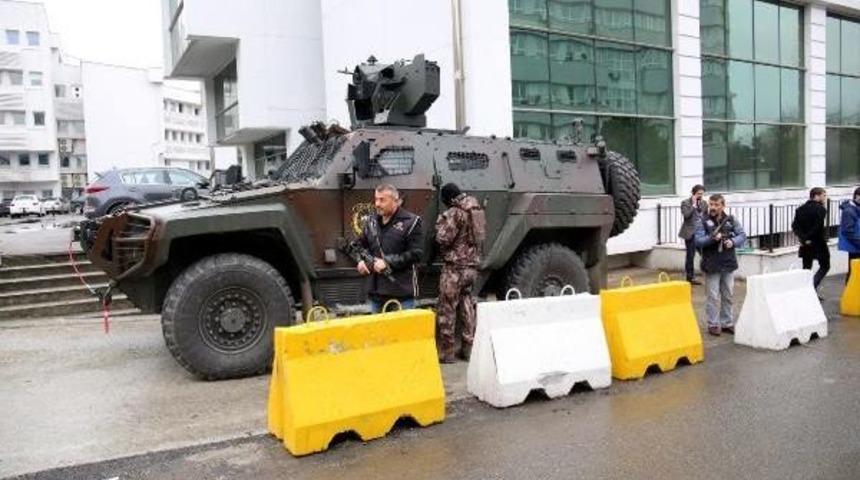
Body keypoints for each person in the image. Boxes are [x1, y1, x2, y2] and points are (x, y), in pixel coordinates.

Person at [353, 184, 424, 313]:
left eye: (382, 200)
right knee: (378, 333)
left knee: (402, 333)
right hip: (377, 293)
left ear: (395, 201)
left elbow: (416, 254)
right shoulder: (371, 221)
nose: (377, 204)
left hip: (402, 294)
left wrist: (387, 262)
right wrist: (360, 261)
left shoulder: (411, 222)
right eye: (376, 199)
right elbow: (359, 245)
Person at [435, 183, 483, 363]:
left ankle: (447, 352)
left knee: (447, 308)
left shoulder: (455, 212)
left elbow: (443, 238)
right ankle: (468, 348)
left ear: (448, 198)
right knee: (467, 304)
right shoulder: (475, 208)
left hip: (454, 268)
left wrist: (440, 223)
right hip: (471, 268)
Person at [695, 194, 746, 336]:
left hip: (728, 262)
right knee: (712, 296)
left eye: (716, 205)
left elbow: (742, 235)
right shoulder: (702, 220)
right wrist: (712, 238)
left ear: (723, 205)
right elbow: (698, 241)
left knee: (728, 294)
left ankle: (727, 323)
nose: (713, 207)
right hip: (711, 264)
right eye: (711, 204)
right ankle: (713, 324)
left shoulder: (731, 220)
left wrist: (733, 242)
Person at [792, 187, 830, 295]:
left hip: (805, 243)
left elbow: (795, 226)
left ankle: (805, 290)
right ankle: (810, 289)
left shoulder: (800, 209)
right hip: (818, 242)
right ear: (816, 196)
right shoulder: (821, 209)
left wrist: (804, 238)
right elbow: (817, 227)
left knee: (806, 268)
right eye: (823, 195)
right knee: (825, 266)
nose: (824, 198)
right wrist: (808, 237)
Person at [679, 184, 707, 285]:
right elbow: (686, 215)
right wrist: (693, 205)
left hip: (701, 233)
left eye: (702, 194)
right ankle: (690, 278)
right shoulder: (685, 203)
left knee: (705, 254)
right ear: (693, 193)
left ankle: (707, 272)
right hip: (691, 233)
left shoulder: (704, 203)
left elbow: (706, 216)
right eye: (699, 194)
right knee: (690, 256)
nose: (701, 196)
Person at [838, 186, 860, 284]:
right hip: (855, 246)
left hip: (856, 245)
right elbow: (848, 231)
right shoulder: (849, 211)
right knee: (854, 272)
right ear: (857, 197)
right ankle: (850, 295)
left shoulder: (855, 208)